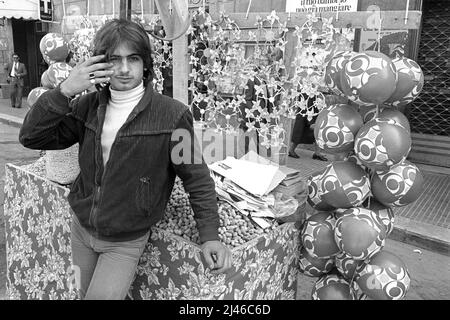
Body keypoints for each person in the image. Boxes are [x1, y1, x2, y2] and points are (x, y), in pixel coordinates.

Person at [19, 19, 232, 300]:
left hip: (124, 241)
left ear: (145, 64)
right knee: (78, 293)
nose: (123, 68)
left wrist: (210, 235)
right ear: (100, 63)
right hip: (80, 229)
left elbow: (197, 177)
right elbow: (32, 137)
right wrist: (64, 91)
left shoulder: (172, 116)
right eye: (114, 59)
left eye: (133, 58)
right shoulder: (87, 107)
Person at [288, 95, 328, 161]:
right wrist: (311, 121)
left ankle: (317, 153)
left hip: (311, 106)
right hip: (306, 108)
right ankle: (291, 150)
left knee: (316, 130)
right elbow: (308, 99)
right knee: (301, 129)